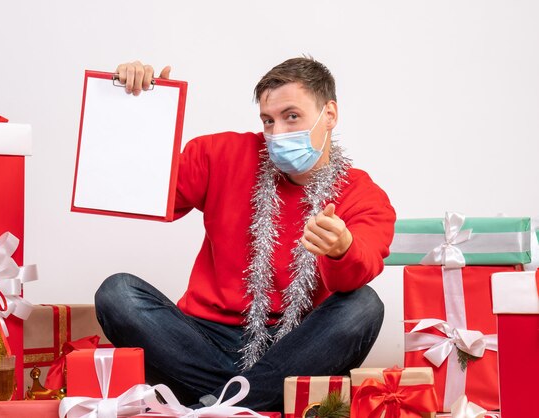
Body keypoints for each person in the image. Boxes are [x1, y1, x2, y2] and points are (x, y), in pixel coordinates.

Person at [95, 57, 396, 411]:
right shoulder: (220, 153)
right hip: (202, 340)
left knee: (364, 306)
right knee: (117, 293)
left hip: (295, 348)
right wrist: (143, 110)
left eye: (292, 117)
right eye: (268, 121)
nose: (278, 133)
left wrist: (341, 248)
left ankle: (217, 403)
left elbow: (361, 269)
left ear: (329, 114)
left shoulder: (362, 194)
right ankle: (246, 403)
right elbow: (146, 193)